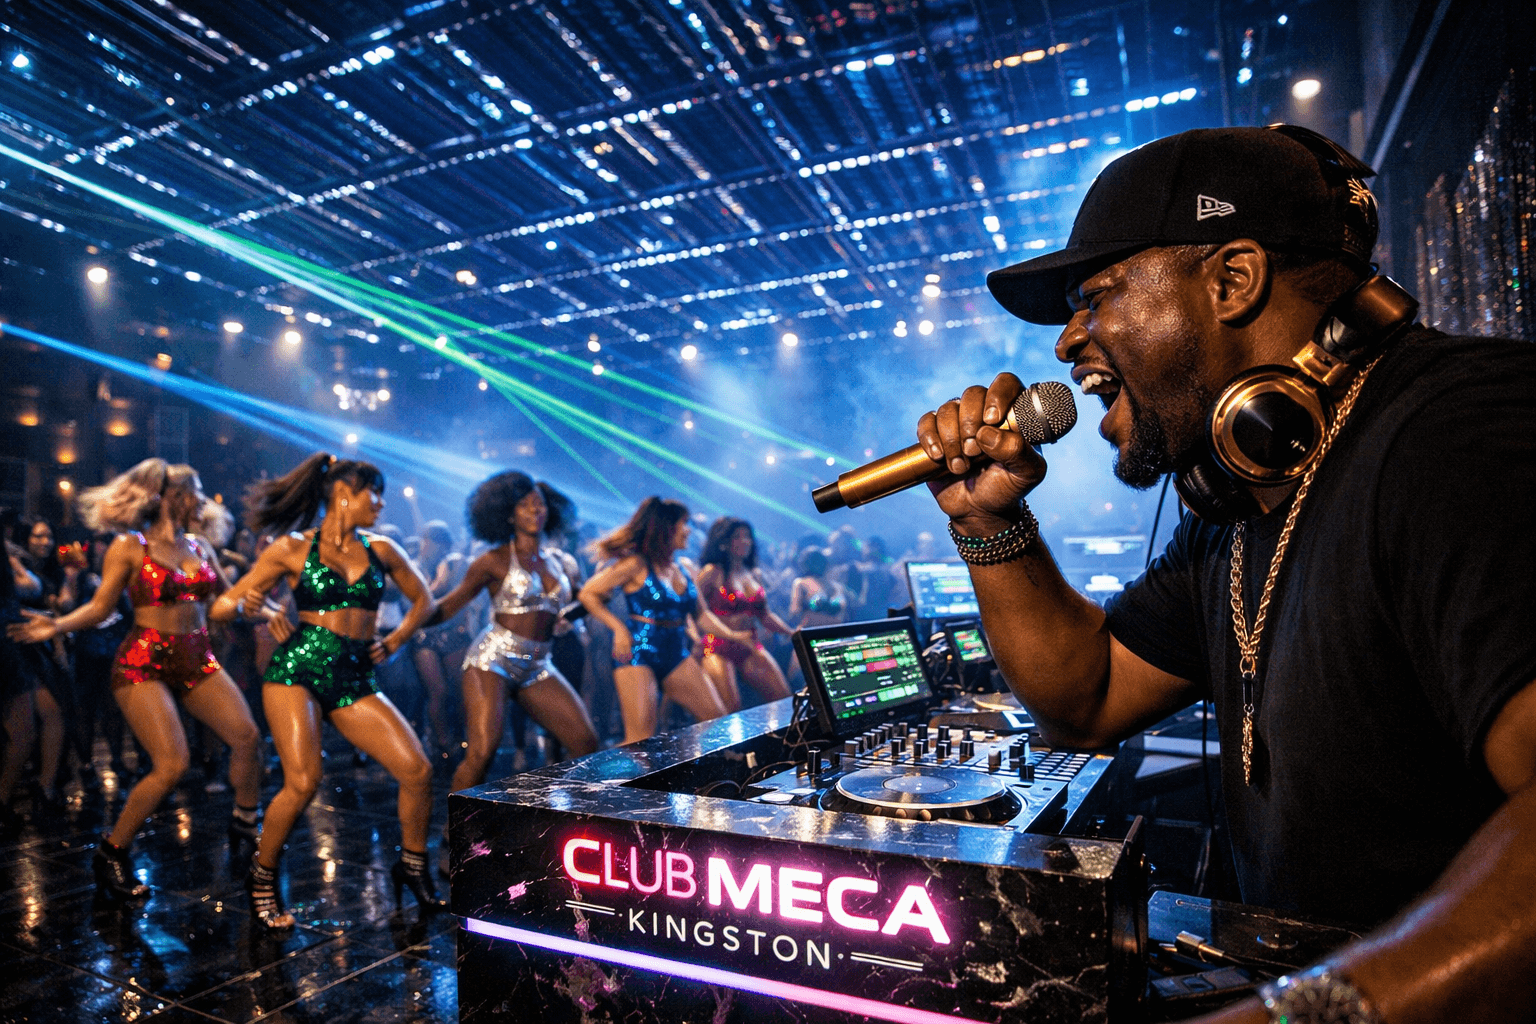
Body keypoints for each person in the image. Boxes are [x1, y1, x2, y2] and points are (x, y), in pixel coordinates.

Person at [914, 125, 1536, 1022]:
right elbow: (1087, 696)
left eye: (1096, 298)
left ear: (1233, 280)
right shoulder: (1233, 512)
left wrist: (1295, 1015)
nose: (1067, 342)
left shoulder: (1457, 435)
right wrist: (988, 520)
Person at [7, 459, 263, 901]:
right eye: (195, 491)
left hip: (197, 656)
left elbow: (228, 598)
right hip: (143, 662)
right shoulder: (130, 546)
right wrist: (57, 625)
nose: (203, 500)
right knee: (172, 765)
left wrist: (266, 609)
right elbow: (101, 607)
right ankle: (112, 852)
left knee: (247, 737)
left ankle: (244, 824)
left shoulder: (200, 545)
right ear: (168, 497)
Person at [210, 453, 440, 930]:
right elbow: (222, 607)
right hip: (297, 670)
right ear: (342, 493)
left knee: (417, 770)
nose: (380, 503)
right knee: (303, 782)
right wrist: (256, 607)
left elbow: (424, 599)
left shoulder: (382, 549)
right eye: (373, 492)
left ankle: (412, 866)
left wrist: (396, 640)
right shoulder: (293, 548)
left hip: (354, 676)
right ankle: (261, 875)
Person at [429, 471, 598, 793]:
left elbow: (582, 599)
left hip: (538, 664)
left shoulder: (557, 563)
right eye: (524, 504)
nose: (535, 509)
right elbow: (447, 607)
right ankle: (454, 821)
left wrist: (575, 611)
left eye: (539, 503)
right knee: (482, 753)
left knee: (585, 742)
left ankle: (560, 808)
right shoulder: (493, 560)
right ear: (508, 514)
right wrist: (402, 631)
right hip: (493, 659)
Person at [578, 497, 734, 744]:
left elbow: (701, 615)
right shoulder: (636, 564)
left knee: (716, 719)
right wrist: (619, 629)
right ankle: (612, 770)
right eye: (684, 523)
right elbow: (588, 593)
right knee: (640, 740)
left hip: (675, 653)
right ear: (666, 528)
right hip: (638, 652)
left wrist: (735, 636)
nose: (689, 530)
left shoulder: (682, 568)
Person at [694, 517, 792, 712]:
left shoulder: (754, 575)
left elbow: (765, 616)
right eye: (737, 537)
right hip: (717, 646)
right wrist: (694, 638)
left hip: (749, 644)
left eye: (747, 536)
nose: (745, 541)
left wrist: (790, 632)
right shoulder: (712, 572)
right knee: (731, 710)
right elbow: (694, 609)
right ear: (724, 542)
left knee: (784, 701)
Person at [412, 520, 470, 764]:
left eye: (430, 541)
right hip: (424, 635)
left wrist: (444, 570)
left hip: (452, 632)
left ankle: (463, 737)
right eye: (424, 540)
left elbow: (446, 587)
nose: (424, 545)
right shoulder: (414, 566)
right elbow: (423, 595)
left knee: (459, 690)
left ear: (442, 544)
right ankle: (443, 743)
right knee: (438, 691)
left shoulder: (454, 562)